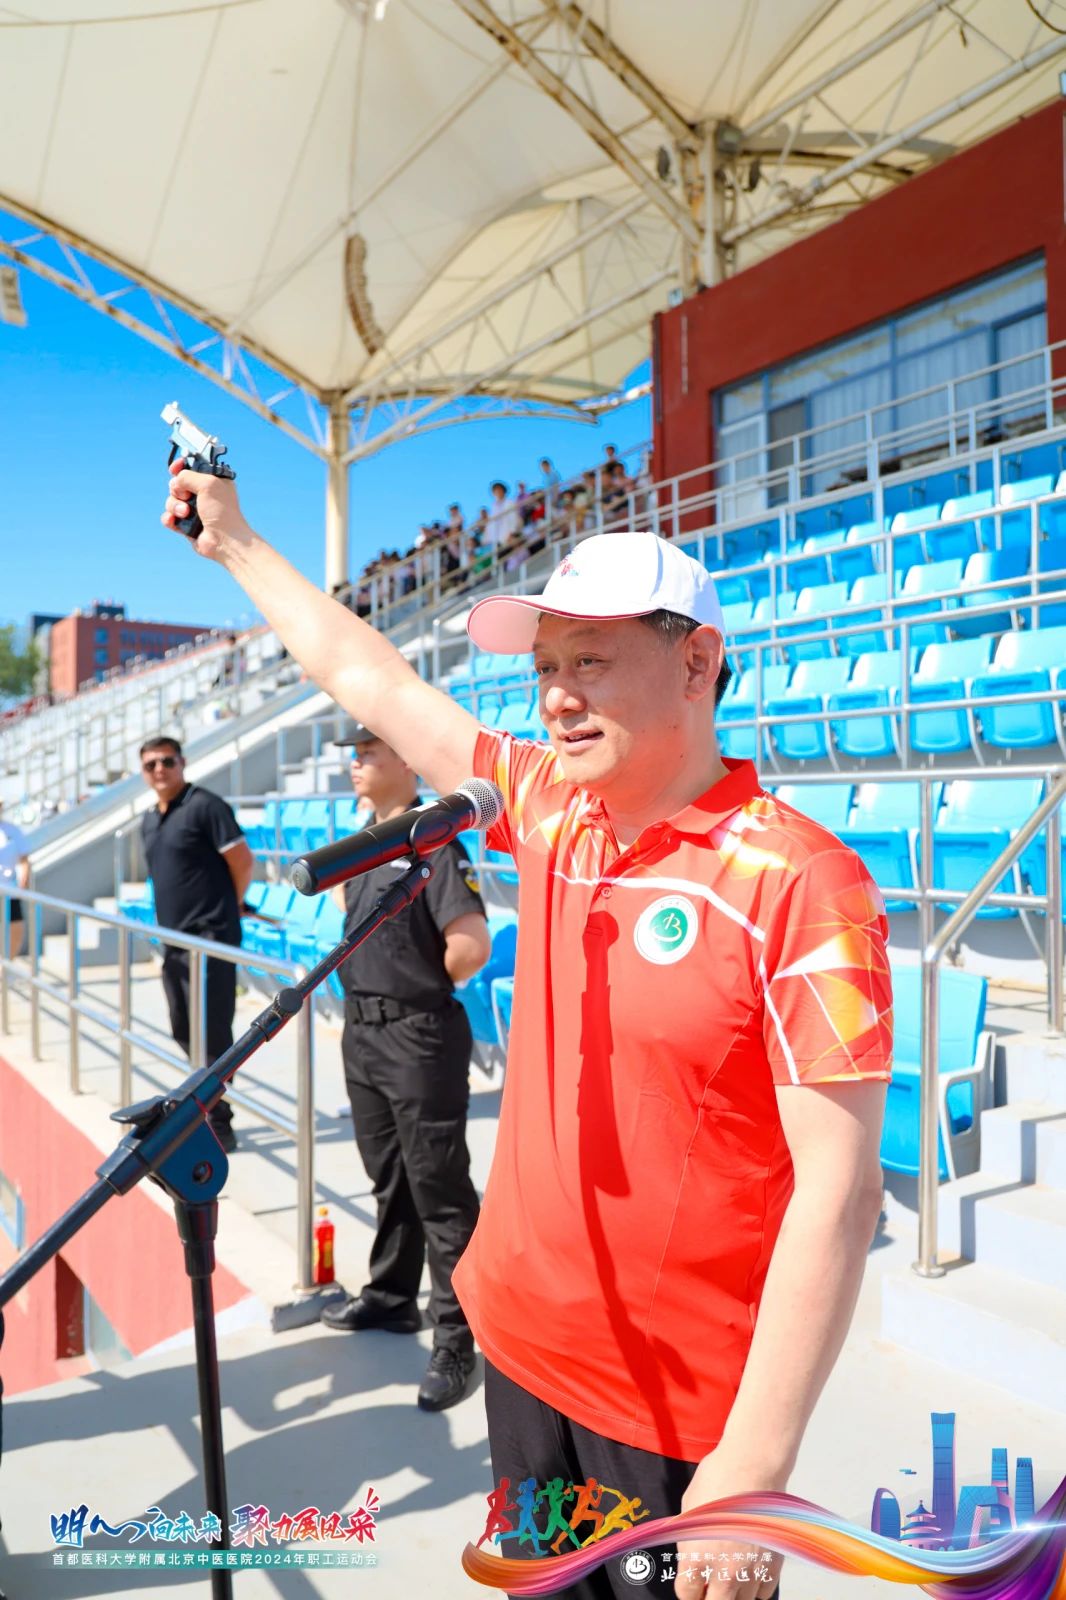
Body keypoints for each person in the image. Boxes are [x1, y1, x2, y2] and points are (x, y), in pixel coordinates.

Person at [161, 464, 891, 1600]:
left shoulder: (804, 881)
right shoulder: (550, 807)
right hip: (521, 1351)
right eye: (544, 666)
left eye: (589, 660)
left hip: (674, 1411)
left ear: (695, 662)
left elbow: (839, 1192)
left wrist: (754, 1463)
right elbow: (372, 675)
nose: (553, 696)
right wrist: (236, 543)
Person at [321, 722, 490, 1413]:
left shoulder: (433, 842)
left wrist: (417, 990)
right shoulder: (365, 844)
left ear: (406, 761)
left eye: (368, 752)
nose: (356, 764)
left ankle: (459, 1337)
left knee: (439, 1189)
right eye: (355, 755)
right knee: (388, 1177)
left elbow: (470, 946)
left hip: (417, 1035)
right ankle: (393, 1296)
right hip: (363, 1033)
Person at [139, 736, 255, 1153]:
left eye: (167, 761)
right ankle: (204, 1101)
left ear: (182, 762)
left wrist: (231, 906)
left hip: (211, 937)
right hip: (174, 940)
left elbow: (242, 860)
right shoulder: (150, 818)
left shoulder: (206, 806)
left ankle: (219, 1122)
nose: (159, 770)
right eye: (150, 764)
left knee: (212, 1031)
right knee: (182, 1025)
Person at [0, 799, 30, 960]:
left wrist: (24, 877)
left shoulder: (12, 830)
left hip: (8, 889)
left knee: (16, 927)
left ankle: (5, 964)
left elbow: (24, 859)